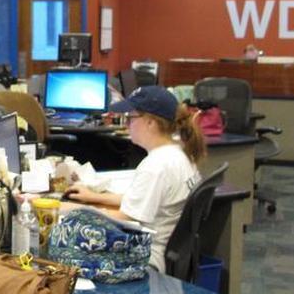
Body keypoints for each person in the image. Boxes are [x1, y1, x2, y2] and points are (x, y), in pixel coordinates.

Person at [65, 86, 205, 270]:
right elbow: (145, 202)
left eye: (131, 118)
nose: (126, 124)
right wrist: (95, 197)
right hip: (167, 252)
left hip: (147, 256)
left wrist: (70, 210)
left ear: (151, 122)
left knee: (62, 250)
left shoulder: (156, 165)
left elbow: (125, 219)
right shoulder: (180, 153)